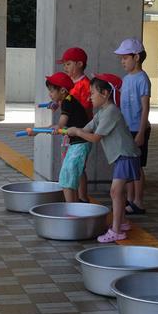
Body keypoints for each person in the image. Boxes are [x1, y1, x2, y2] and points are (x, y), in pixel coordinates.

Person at [66, 74, 140, 243]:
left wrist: (77, 132)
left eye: (92, 93)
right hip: (123, 156)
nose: (89, 96)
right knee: (118, 193)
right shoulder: (102, 112)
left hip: (125, 155)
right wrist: (69, 130)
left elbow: (95, 137)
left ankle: (116, 230)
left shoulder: (111, 112)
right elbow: (88, 127)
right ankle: (122, 222)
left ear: (105, 93)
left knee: (115, 192)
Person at [31, 72, 91, 203]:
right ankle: (75, 206)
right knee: (71, 176)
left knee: (67, 176)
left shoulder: (67, 103)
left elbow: (60, 125)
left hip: (79, 144)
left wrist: (41, 130)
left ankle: (71, 209)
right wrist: (39, 131)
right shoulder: (68, 100)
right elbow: (59, 126)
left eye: (52, 91)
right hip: (78, 143)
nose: (50, 94)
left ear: (62, 90)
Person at [114, 38, 151, 216]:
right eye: (121, 58)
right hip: (127, 129)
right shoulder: (126, 79)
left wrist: (142, 132)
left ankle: (139, 201)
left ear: (136, 57)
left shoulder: (142, 79)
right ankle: (130, 199)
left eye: (125, 58)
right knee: (129, 164)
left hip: (138, 129)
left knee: (137, 167)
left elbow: (145, 108)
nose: (122, 61)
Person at [57, 47, 92, 202]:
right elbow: (67, 105)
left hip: (81, 130)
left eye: (68, 64)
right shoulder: (69, 83)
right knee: (72, 165)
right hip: (70, 131)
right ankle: (77, 197)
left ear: (79, 64)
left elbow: (82, 107)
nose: (65, 68)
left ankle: (82, 197)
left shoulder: (85, 84)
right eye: (64, 65)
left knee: (79, 166)